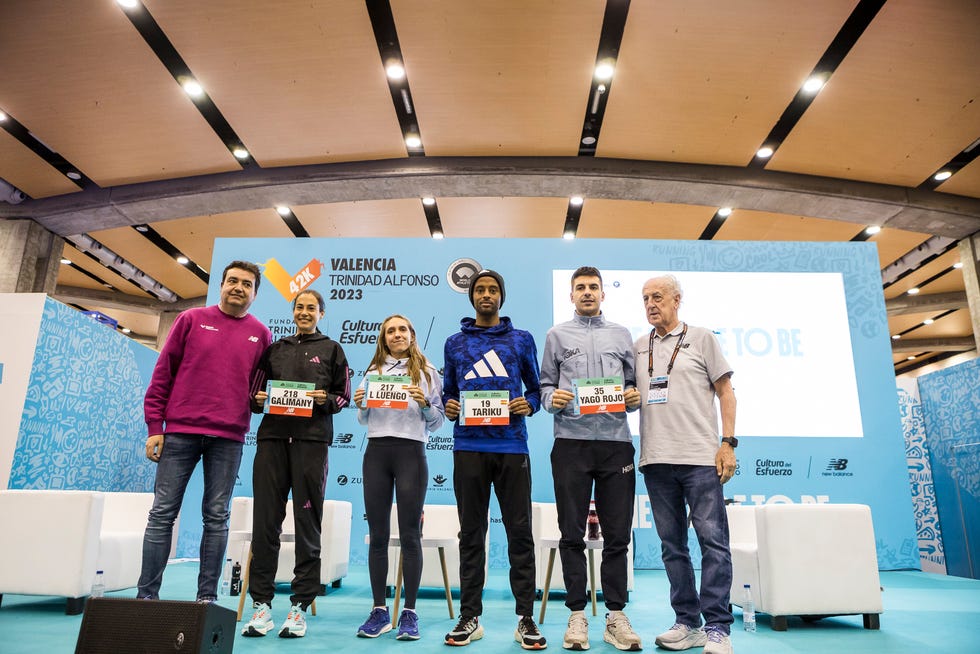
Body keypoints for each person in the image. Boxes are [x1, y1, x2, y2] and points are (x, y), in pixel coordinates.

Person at [138, 260, 271, 603]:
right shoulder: (190, 319)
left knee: (216, 516)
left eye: (246, 284)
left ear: (255, 294)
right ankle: (146, 597)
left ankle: (206, 599)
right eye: (233, 281)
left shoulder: (262, 335)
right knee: (163, 512)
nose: (238, 288)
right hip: (179, 432)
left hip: (228, 438)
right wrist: (156, 427)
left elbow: (258, 389)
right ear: (222, 285)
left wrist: (261, 399)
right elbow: (163, 374)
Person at [539, 266, 643, 652]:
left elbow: (633, 384)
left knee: (617, 535)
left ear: (603, 293)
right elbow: (545, 385)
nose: (587, 293)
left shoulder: (621, 335)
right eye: (580, 288)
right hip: (571, 443)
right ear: (571, 295)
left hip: (616, 443)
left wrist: (632, 397)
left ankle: (616, 615)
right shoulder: (556, 335)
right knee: (571, 534)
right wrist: (553, 400)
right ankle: (577, 614)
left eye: (593, 287)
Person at [442, 269, 546, 650]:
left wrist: (529, 404)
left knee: (519, 533)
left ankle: (526, 618)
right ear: (472, 297)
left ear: (502, 296)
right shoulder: (455, 343)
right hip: (468, 447)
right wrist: (449, 406)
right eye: (480, 289)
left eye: (493, 289)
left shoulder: (521, 339)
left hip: (512, 447)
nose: (486, 295)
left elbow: (536, 389)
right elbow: (448, 392)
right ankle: (470, 616)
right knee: (471, 534)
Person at [634, 275, 737, 654]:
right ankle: (687, 622)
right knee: (672, 546)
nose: (650, 304)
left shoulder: (703, 338)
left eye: (657, 296)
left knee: (713, 542)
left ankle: (717, 627)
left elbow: (727, 393)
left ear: (677, 300)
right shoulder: (637, 346)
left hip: (699, 459)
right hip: (656, 460)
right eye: (645, 298)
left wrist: (727, 443)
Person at [241, 289, 351, 639]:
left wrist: (326, 400)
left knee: (308, 524)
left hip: (311, 443)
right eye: (300, 307)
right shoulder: (275, 349)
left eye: (311, 308)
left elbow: (343, 395)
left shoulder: (332, 349)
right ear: (293, 312)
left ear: (321, 312)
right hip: (272, 441)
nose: (305, 312)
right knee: (265, 524)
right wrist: (257, 400)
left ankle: (300, 606)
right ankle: (261, 607)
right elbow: (253, 394)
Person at [352, 315, 445, 641]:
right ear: (384, 338)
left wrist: (425, 407)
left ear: (411, 334)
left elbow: (437, 423)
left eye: (402, 329)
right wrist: (360, 404)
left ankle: (409, 612)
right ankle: (379, 610)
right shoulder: (372, 372)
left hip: (411, 455)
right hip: (377, 453)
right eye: (390, 330)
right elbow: (364, 419)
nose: (396, 334)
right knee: (377, 535)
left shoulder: (428, 372)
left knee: (410, 535)